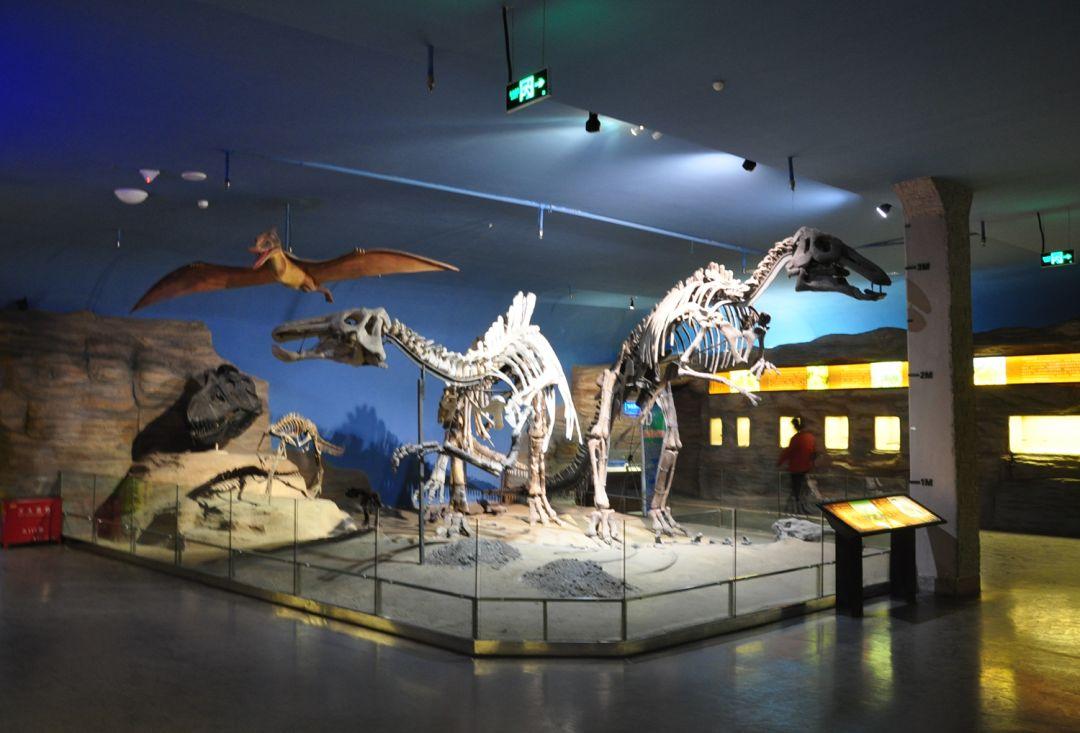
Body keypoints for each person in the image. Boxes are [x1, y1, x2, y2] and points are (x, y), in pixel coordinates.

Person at [777, 417, 819, 515]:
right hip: (806, 467)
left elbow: (788, 452)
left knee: (796, 489)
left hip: (796, 468)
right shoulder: (811, 438)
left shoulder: (795, 439)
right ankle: (802, 506)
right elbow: (814, 453)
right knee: (803, 489)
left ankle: (798, 508)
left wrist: (779, 463)